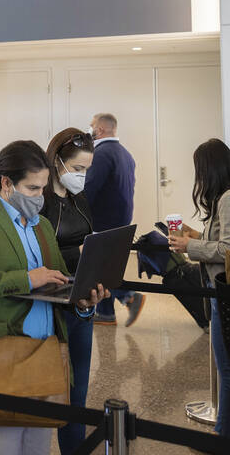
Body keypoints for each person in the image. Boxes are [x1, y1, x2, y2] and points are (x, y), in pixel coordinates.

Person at [0, 139, 108, 455]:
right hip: (1, 354)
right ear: (7, 183)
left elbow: (59, 284)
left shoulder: (41, 226)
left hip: (44, 353)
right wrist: (25, 279)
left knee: (36, 448)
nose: (40, 197)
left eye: (43, 189)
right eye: (32, 189)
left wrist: (83, 302)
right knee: (3, 448)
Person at [169, 138, 230, 438]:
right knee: (229, 373)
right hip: (227, 292)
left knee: (229, 373)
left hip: (229, 293)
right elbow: (229, 239)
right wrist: (195, 235)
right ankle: (225, 437)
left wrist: (191, 245)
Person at [40, 128, 96, 455]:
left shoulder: (79, 198)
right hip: (48, 306)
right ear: (56, 161)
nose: (81, 177)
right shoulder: (39, 199)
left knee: (78, 393)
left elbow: (90, 238)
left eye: (86, 170)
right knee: (43, 392)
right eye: (77, 169)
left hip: (81, 303)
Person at [83, 113, 144, 326]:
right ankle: (106, 314)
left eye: (91, 126)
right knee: (105, 265)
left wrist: (76, 209)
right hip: (121, 219)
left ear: (99, 130)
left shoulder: (101, 154)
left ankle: (129, 296)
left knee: (99, 266)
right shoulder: (125, 154)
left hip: (104, 220)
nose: (88, 130)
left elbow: (89, 188)